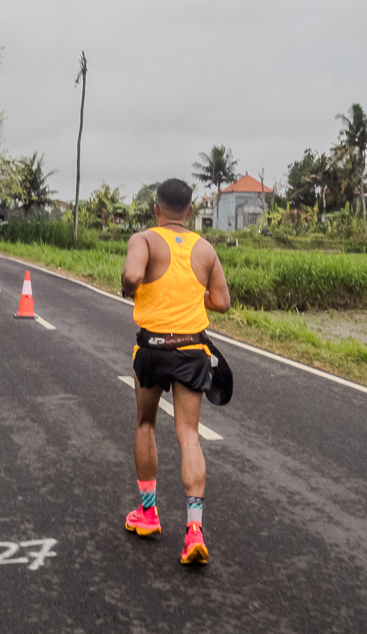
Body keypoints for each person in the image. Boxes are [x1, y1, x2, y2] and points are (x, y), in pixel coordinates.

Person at [120, 178, 231, 565]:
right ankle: (194, 531)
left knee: (146, 425)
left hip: (152, 347)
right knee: (189, 434)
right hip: (191, 349)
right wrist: (187, 292)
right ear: (188, 212)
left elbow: (133, 277)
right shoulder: (205, 249)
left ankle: (148, 514)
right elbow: (221, 301)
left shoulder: (144, 240)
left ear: (156, 209)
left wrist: (129, 287)